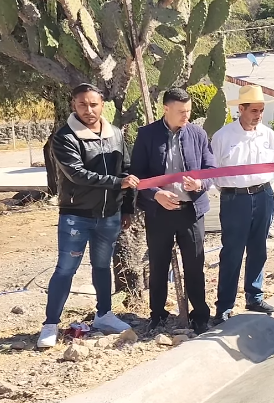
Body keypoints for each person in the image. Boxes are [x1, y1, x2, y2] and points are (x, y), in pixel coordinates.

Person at [38, 83, 140, 348]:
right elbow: (77, 174)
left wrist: (127, 207)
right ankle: (50, 324)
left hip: (110, 216)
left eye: (93, 104)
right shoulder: (64, 137)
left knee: (102, 266)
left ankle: (104, 315)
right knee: (65, 269)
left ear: (102, 105)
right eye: (82, 104)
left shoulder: (116, 134)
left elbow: (127, 169)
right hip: (76, 216)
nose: (88, 109)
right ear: (74, 104)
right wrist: (119, 184)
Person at [131, 88, 216, 333]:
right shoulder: (147, 135)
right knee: (158, 265)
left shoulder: (198, 134)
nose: (186, 116)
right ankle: (157, 314)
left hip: (191, 211)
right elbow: (138, 175)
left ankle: (200, 314)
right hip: (159, 212)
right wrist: (156, 194)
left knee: (195, 264)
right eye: (181, 112)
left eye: (188, 111)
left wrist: (201, 183)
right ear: (166, 109)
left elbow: (210, 168)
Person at [210, 84, 274, 325]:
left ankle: (254, 295)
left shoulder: (269, 135)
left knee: (259, 247)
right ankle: (224, 306)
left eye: (261, 111)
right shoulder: (223, 136)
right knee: (232, 252)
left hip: (263, 195)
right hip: (234, 198)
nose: (258, 116)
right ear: (241, 109)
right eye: (254, 111)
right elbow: (213, 170)